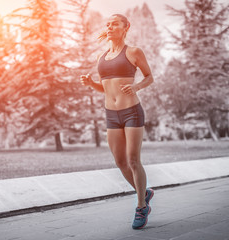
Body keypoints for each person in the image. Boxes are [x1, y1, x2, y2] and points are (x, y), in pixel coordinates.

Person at [80, 13, 154, 229]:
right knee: (120, 162)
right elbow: (106, 88)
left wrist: (136, 86)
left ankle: (141, 206)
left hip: (132, 111)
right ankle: (145, 192)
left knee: (133, 160)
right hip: (111, 114)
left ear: (125, 27)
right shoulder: (101, 58)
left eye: (115, 24)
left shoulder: (133, 52)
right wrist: (91, 83)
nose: (110, 27)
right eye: (108, 24)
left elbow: (150, 77)